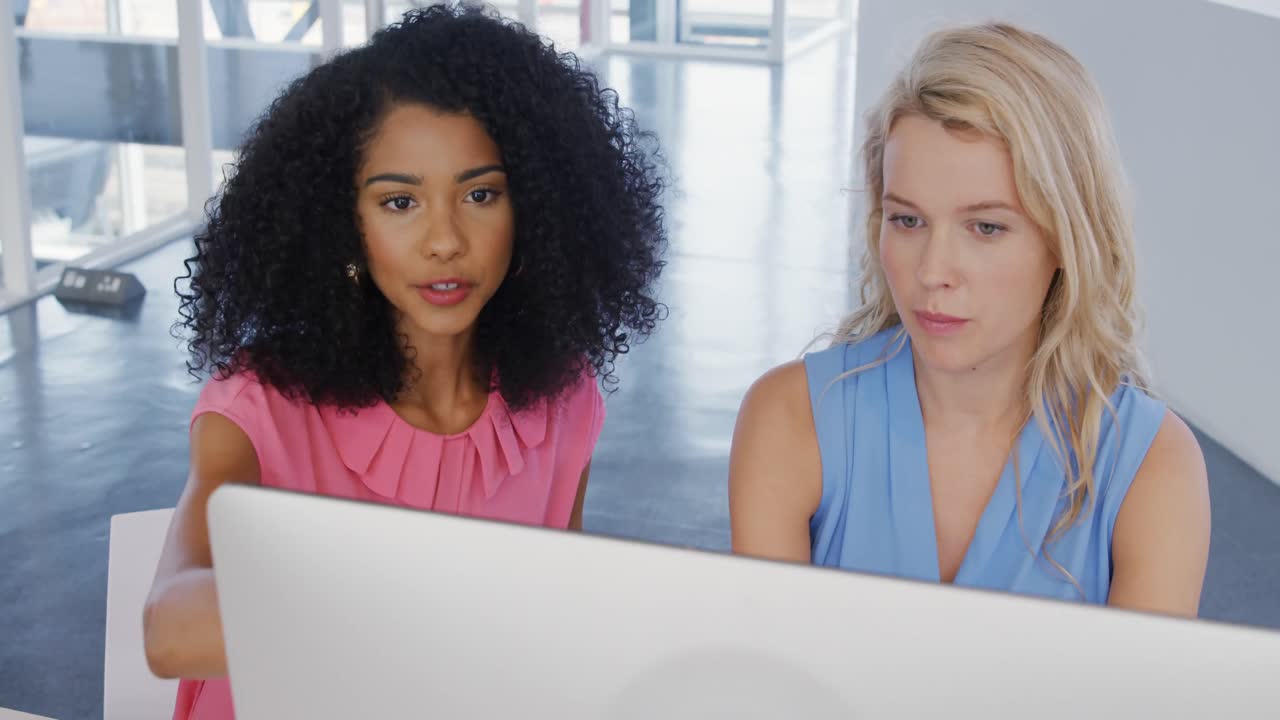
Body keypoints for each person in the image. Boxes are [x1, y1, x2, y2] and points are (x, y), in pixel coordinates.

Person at [143, 4, 668, 717]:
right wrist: (443, 601)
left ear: (536, 210)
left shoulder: (562, 405)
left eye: (480, 194)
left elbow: (549, 632)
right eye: (399, 203)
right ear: (345, 223)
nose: (445, 240)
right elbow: (171, 631)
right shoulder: (259, 409)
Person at [728, 22, 1210, 617]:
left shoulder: (1152, 464)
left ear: (1065, 238)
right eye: (908, 221)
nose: (933, 271)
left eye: (986, 227)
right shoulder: (789, 418)